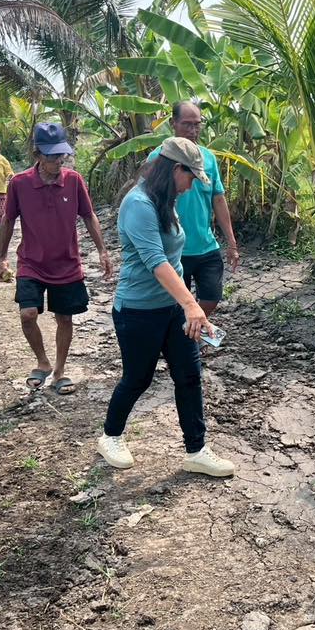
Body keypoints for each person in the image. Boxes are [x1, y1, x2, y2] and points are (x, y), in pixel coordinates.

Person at [97, 137, 235, 478]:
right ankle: (110, 436)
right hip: (137, 311)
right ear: (175, 169)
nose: (191, 185)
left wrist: (188, 308)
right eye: (190, 177)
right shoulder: (139, 204)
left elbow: (174, 259)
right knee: (137, 378)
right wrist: (193, 305)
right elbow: (156, 261)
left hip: (171, 308)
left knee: (189, 376)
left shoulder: (166, 200)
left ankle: (197, 450)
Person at [0, 122, 113, 395]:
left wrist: (102, 250)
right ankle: (42, 361)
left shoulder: (73, 181)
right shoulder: (20, 184)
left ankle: (60, 370)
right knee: (27, 314)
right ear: (38, 155)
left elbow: (88, 215)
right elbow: (8, 219)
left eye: (61, 154)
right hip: (31, 262)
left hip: (67, 263)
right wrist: (1, 258)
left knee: (65, 318)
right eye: (51, 156)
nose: (58, 160)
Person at [145, 101, 239, 316]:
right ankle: (184, 342)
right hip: (174, 248)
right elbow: (148, 203)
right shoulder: (157, 159)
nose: (193, 130)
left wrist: (231, 242)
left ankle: (192, 331)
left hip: (205, 244)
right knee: (177, 302)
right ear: (173, 124)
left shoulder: (208, 158)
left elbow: (218, 199)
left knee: (212, 297)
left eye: (197, 124)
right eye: (187, 124)